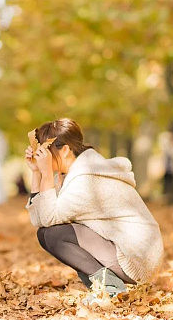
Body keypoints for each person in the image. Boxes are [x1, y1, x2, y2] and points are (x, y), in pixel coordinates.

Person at [25, 119, 164, 298]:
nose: (40, 156)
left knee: (53, 235)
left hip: (136, 258)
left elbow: (48, 218)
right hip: (126, 249)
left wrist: (45, 175)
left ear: (65, 150)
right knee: (45, 234)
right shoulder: (71, 174)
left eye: (44, 151)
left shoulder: (86, 180)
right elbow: (39, 220)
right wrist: (37, 173)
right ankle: (106, 286)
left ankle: (112, 289)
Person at [162, 132, 173, 204]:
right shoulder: (167, 149)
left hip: (172, 170)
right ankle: (167, 199)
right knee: (166, 185)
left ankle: (172, 199)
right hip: (167, 170)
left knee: (172, 185)